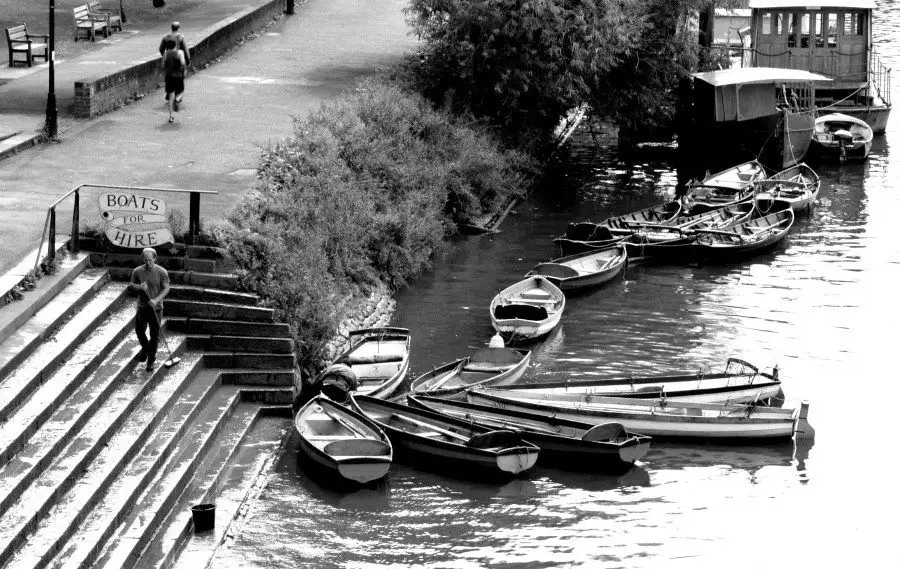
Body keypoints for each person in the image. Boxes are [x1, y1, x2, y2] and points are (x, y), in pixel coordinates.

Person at [129, 248, 170, 371]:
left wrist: (156, 300)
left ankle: (151, 359)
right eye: (146, 260)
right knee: (139, 331)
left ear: (155, 259)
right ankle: (146, 349)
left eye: (150, 260)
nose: (148, 263)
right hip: (142, 307)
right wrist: (139, 287)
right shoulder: (137, 271)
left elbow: (167, 288)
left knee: (154, 335)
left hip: (156, 308)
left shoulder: (161, 272)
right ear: (143, 259)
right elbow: (131, 285)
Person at [161, 41, 186, 122]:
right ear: (175, 45)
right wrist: (184, 71)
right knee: (180, 92)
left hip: (169, 76)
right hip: (178, 76)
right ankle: (177, 100)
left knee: (170, 96)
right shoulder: (180, 52)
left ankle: (171, 116)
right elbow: (183, 63)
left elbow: (162, 65)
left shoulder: (165, 54)